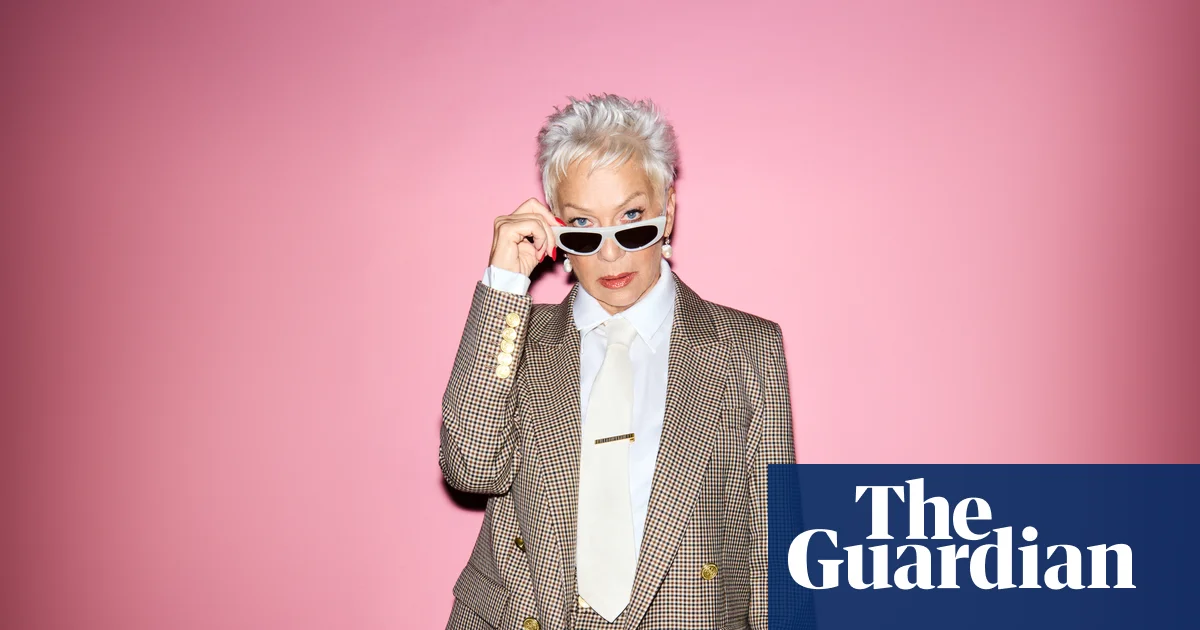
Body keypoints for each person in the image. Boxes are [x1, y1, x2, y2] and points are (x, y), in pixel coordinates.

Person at [440, 94, 812, 630]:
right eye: (584, 227)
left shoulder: (746, 348)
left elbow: (778, 548)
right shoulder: (516, 340)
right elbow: (471, 468)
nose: (610, 254)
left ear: (668, 211)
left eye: (632, 219)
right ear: (557, 230)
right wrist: (504, 285)